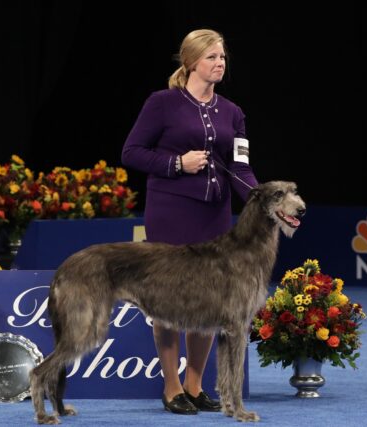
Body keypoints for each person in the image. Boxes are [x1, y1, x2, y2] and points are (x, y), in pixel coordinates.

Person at [121, 29, 259, 415]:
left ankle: (195, 386)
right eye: (212, 57)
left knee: (209, 303)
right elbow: (131, 152)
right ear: (191, 62)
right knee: (169, 301)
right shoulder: (162, 103)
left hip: (214, 216)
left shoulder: (233, 112)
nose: (220, 64)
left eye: (223, 58)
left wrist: (263, 203)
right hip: (171, 213)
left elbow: (241, 168)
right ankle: (171, 387)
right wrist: (177, 164)